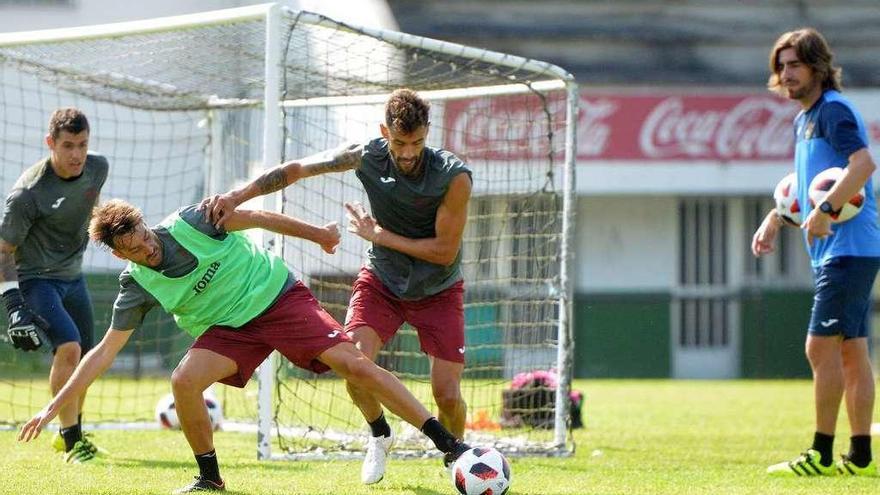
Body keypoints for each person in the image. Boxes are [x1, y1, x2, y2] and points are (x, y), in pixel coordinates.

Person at [18, 198, 469, 494]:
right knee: (184, 380)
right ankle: (210, 479)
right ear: (120, 254)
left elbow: (255, 216)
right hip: (232, 328)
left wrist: (318, 234)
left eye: (146, 239)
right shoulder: (135, 283)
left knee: (353, 364)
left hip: (277, 297)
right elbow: (103, 352)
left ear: (142, 222)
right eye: (136, 251)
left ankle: (448, 445)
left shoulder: (194, 220)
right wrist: (54, 406)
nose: (148, 251)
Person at [201, 88, 472, 484]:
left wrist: (377, 234)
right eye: (400, 142)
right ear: (385, 132)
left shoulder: (453, 176)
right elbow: (294, 169)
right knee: (353, 364)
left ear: (428, 133)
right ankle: (379, 434)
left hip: (439, 290)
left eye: (417, 142)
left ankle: (459, 460)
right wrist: (236, 195)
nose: (409, 152)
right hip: (382, 281)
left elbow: (444, 252)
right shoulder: (365, 154)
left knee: (446, 394)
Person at [752, 28, 880, 477]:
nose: (786, 74)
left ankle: (821, 454)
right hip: (839, 250)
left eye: (795, 65)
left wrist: (826, 208)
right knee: (851, 351)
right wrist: (777, 216)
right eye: (781, 66)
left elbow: (862, 165)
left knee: (818, 348)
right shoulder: (803, 119)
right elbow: (809, 187)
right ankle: (861, 457)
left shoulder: (834, 110)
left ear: (818, 68)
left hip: (849, 249)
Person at [0, 108, 108, 463]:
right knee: (71, 348)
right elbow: (3, 251)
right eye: (67, 146)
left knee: (88, 360)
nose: (76, 154)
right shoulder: (27, 195)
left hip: (73, 277)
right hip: (36, 280)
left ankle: (70, 433)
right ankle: (73, 441)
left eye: (82, 144)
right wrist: (14, 304)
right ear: (50, 143)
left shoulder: (97, 168)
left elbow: (90, 206)